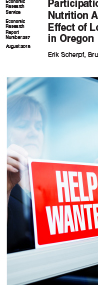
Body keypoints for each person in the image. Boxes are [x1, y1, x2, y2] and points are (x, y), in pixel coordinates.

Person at [7, 94, 45, 253]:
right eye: (23, 125)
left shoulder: (52, 184)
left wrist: (95, 181)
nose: (34, 133)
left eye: (39, 127)